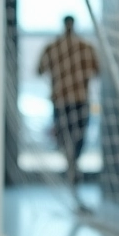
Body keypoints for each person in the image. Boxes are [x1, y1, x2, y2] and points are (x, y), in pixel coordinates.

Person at [36, 15, 99, 202]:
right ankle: (72, 166)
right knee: (72, 138)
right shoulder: (83, 47)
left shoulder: (56, 47)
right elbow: (97, 71)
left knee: (71, 139)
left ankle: (72, 165)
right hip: (73, 101)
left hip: (67, 101)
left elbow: (39, 70)